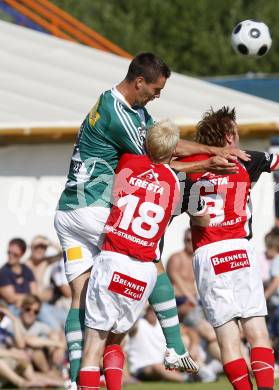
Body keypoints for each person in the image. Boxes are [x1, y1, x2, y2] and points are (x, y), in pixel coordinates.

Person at [54, 52, 245, 387]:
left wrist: (210, 153)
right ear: (139, 82)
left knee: (80, 296)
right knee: (147, 262)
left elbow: (162, 141)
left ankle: (74, 381)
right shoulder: (121, 117)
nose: (158, 95)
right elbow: (161, 159)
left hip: (68, 212)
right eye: (156, 89)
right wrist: (211, 157)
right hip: (94, 206)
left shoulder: (123, 105)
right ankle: (173, 345)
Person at [78, 120, 207, 390]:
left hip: (115, 259)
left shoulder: (128, 160)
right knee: (116, 341)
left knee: (92, 350)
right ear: (173, 152)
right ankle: (174, 347)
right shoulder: (174, 182)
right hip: (144, 272)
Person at [180, 106, 279, 390]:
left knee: (227, 336)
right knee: (257, 330)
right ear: (229, 136)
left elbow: (161, 157)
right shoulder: (246, 160)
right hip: (240, 250)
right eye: (236, 132)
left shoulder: (191, 166)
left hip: (209, 254)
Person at [167, 229, 221, 362]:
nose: (188, 243)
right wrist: (192, 299)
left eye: (191, 240)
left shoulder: (198, 259)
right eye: (186, 240)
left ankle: (243, 368)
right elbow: (175, 281)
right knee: (211, 334)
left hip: (195, 303)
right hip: (181, 302)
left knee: (215, 338)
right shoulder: (176, 258)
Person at [0, 239, 37, 309]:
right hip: (12, 308)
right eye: (9, 252)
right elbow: (11, 298)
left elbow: (35, 293)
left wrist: (22, 299)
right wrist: (30, 297)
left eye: (15, 254)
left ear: (22, 254)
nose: (11, 256)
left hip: (30, 307)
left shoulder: (27, 270)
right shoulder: (3, 272)